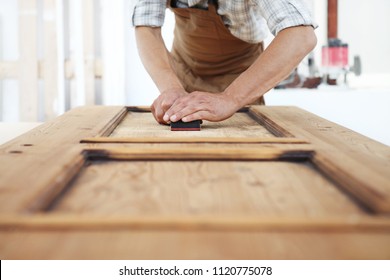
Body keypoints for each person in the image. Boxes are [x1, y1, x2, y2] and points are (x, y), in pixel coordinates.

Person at [132, 0, 317, 124]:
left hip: (241, 74)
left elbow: (301, 35)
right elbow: (146, 25)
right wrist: (170, 87)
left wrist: (231, 98)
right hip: (183, 69)